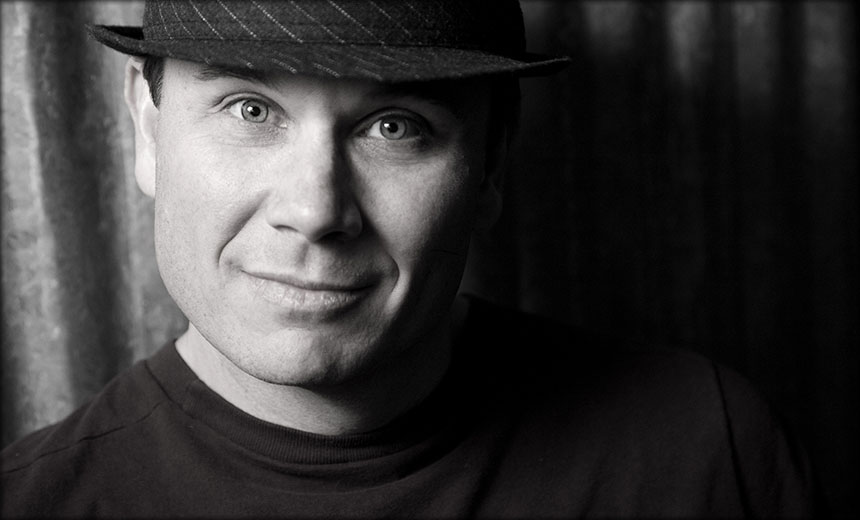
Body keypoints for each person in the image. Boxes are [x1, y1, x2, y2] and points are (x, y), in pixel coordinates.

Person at [1, 1, 822, 518]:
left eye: (395, 125)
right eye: (250, 108)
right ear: (147, 132)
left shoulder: (708, 452)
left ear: (492, 164)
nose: (316, 211)